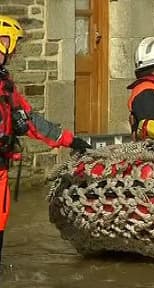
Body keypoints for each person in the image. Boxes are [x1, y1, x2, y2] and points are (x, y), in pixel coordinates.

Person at [0, 15, 91, 262]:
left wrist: (71, 140)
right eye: (13, 46)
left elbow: (32, 122)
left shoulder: (5, 85)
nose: (15, 53)